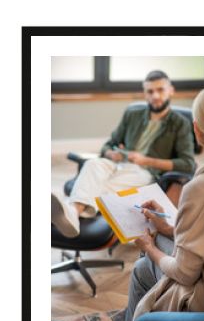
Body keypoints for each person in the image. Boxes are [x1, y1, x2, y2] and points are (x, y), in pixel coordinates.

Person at [124, 84, 204, 321]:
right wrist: (168, 228)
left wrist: (149, 248)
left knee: (143, 268)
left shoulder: (200, 188)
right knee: (162, 233)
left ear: (198, 131)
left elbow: (185, 275)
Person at [51, 70, 196, 237]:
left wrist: (146, 160)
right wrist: (111, 153)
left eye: (160, 90)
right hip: (117, 163)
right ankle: (74, 214)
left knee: (99, 186)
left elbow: (187, 164)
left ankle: (73, 211)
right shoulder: (132, 114)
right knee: (93, 164)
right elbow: (107, 145)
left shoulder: (180, 124)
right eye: (150, 91)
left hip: (144, 172)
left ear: (171, 90)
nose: (155, 95)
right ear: (145, 93)